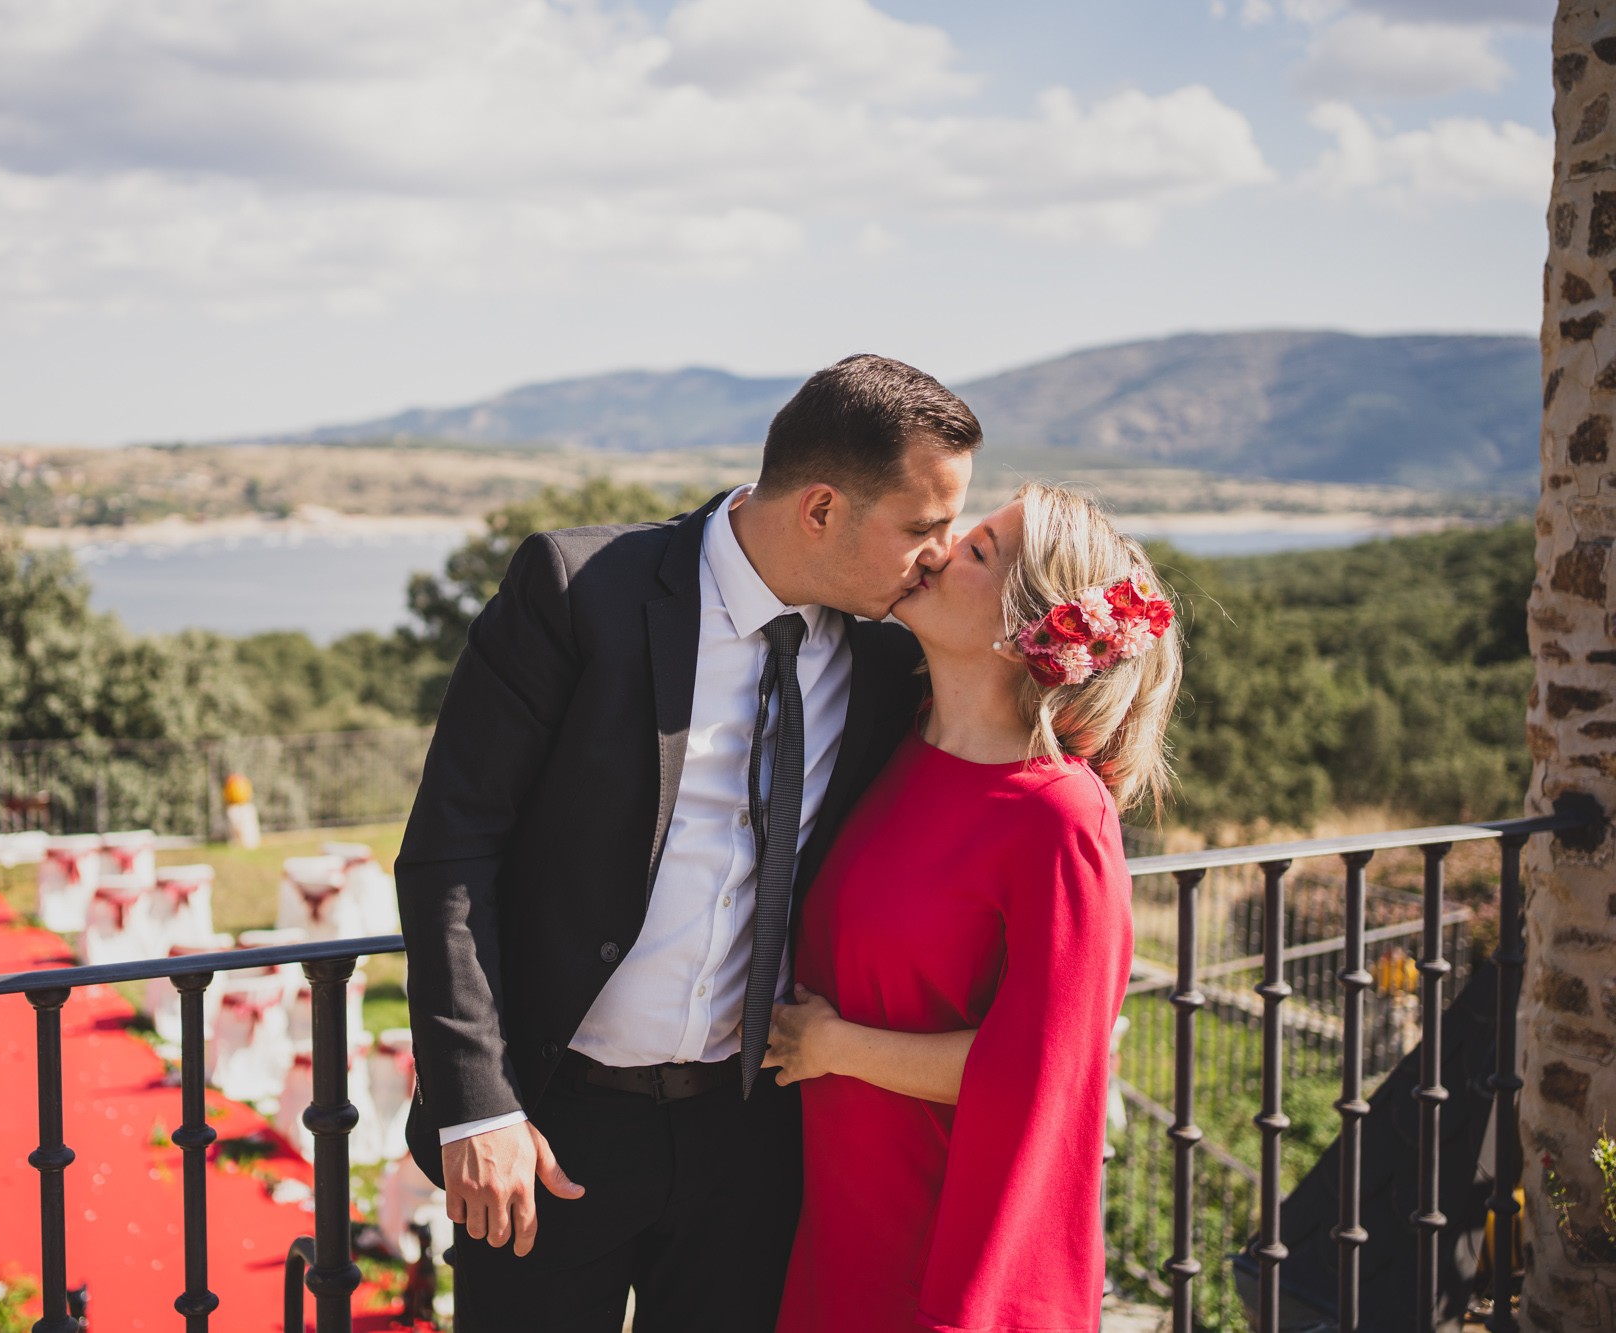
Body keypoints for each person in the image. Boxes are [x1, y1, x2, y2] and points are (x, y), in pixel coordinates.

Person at [394, 354, 983, 1332]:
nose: (939, 553)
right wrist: (478, 1106)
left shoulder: (888, 656)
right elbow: (453, 846)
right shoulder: (581, 589)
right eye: (922, 526)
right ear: (822, 509)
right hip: (549, 1129)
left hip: (755, 1138)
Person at [764, 481, 1180, 1333]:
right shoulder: (893, 742)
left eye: (978, 548)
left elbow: (1047, 1070)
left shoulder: (1060, 818)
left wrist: (833, 1045)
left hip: (947, 1251)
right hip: (837, 1219)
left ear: (1030, 629)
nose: (940, 546)